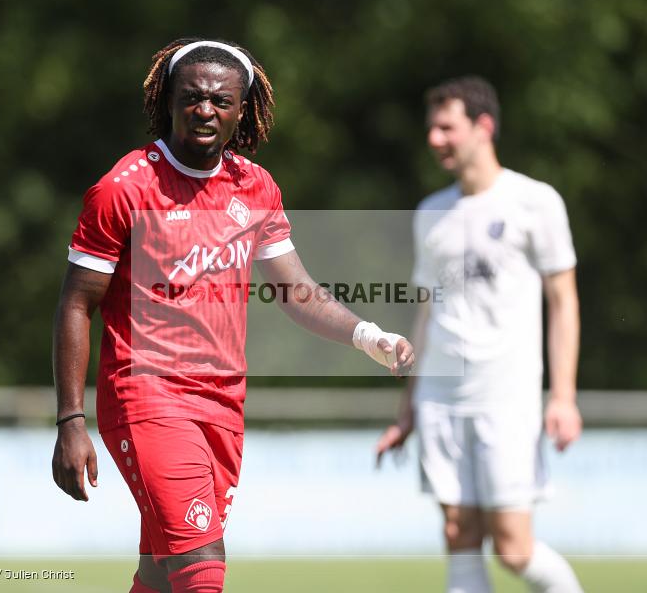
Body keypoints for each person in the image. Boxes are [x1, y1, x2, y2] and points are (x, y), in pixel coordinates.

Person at [51, 37, 415, 593]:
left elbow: (297, 292)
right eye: (192, 97)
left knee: (160, 570)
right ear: (168, 101)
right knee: (203, 561)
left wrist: (369, 336)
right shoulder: (124, 188)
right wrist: (70, 420)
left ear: (241, 111)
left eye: (221, 101)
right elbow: (77, 303)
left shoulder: (255, 186)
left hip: (222, 404)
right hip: (146, 396)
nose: (205, 110)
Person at [376, 76, 583, 593]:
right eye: (431, 128)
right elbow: (427, 314)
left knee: (513, 548)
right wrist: (407, 409)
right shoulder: (430, 213)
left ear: (483, 126)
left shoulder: (535, 202)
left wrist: (562, 397)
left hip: (505, 395)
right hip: (440, 397)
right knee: (458, 531)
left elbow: (564, 301)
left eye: (446, 127)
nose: (434, 139)